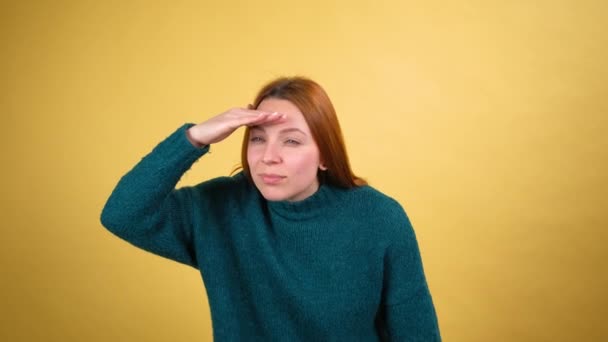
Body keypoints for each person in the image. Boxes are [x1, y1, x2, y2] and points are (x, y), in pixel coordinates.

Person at [101, 76, 441, 341]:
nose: (268, 156)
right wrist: (194, 138)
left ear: (325, 154)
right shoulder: (219, 208)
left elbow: (417, 334)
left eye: (291, 141)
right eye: (258, 138)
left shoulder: (379, 218)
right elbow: (123, 214)